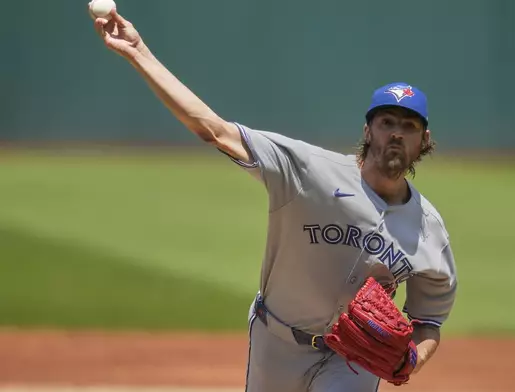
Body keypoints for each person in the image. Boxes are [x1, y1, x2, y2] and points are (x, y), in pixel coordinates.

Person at [90, 6, 458, 391]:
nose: (396, 134)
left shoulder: (428, 230)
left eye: (409, 126)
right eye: (387, 123)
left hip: (351, 362)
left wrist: (412, 358)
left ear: (425, 141)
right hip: (276, 343)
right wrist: (138, 52)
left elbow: (428, 320)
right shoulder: (307, 170)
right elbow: (213, 129)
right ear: (368, 130)